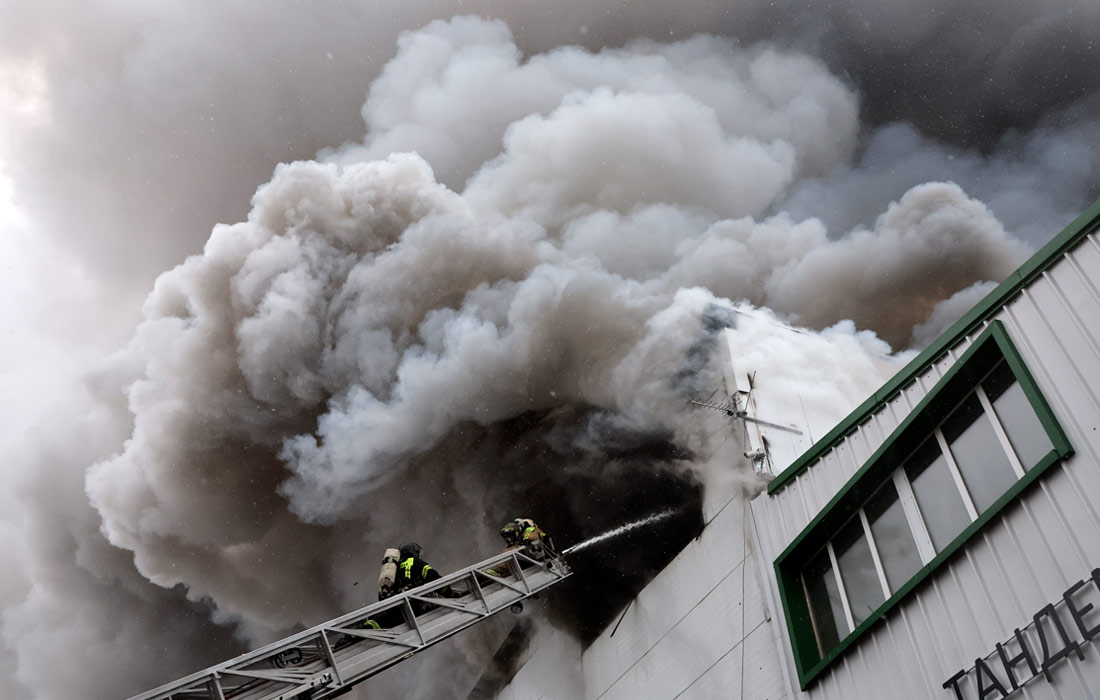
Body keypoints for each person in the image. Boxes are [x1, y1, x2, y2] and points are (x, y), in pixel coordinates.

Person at [487, 518, 555, 577]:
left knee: (507, 558)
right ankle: (491, 573)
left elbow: (534, 535)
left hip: (528, 561)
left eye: (511, 536)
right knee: (506, 560)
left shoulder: (530, 531)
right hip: (523, 562)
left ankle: (491, 573)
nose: (509, 539)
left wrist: (525, 540)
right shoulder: (520, 539)